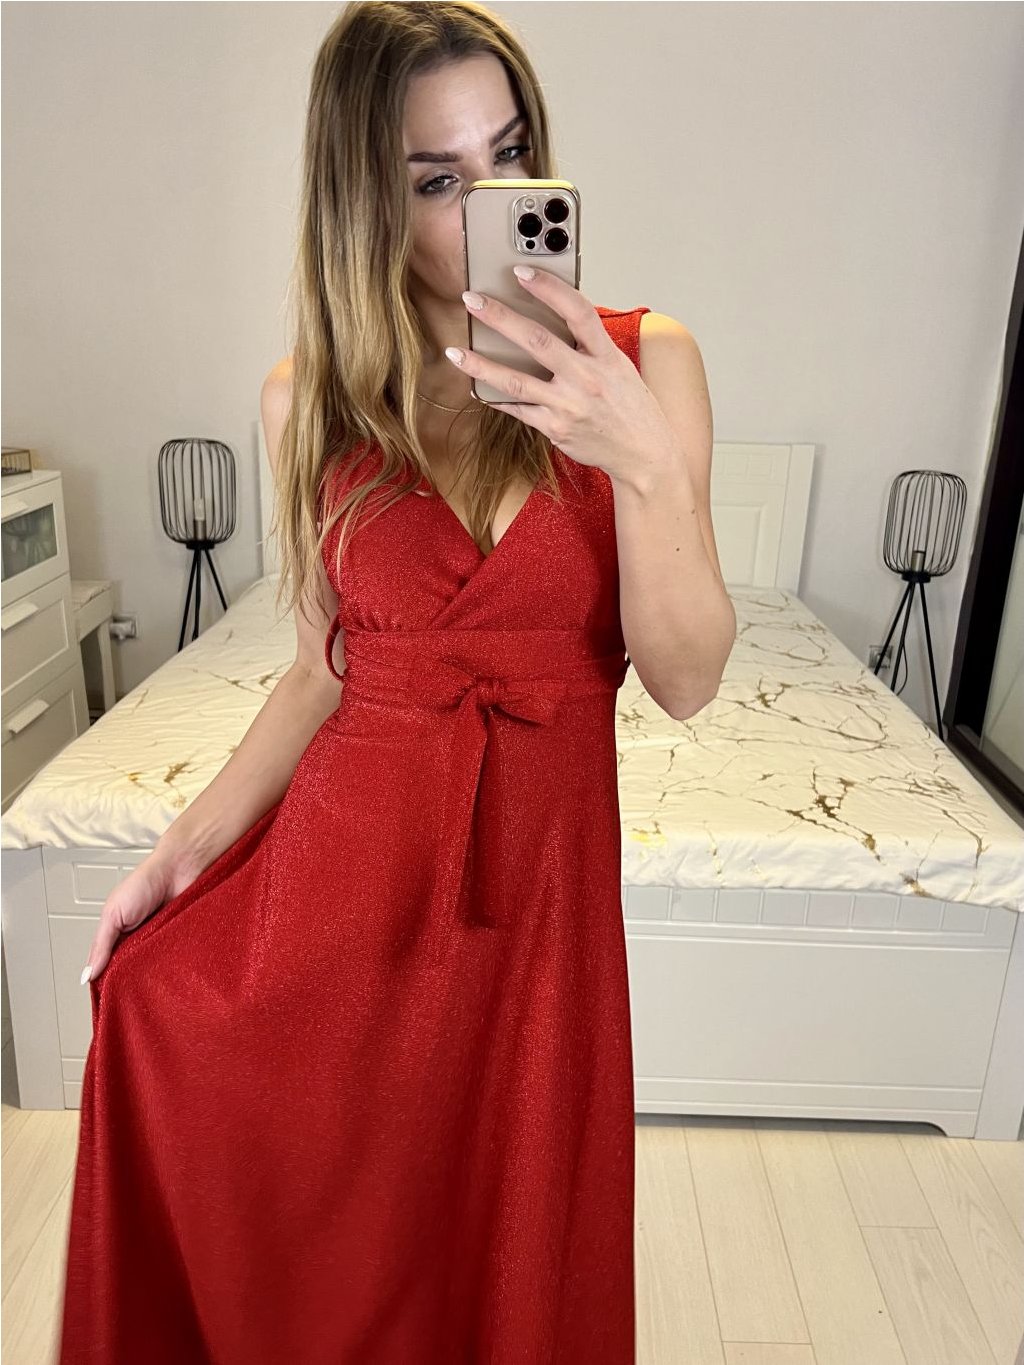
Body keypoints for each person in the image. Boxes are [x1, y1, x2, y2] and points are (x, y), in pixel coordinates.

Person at [57, 3, 734, 1362]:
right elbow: (321, 669)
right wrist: (178, 853)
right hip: (347, 874)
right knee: (310, 1204)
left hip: (538, 894)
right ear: (364, 197)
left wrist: (640, 458)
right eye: (437, 180)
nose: (491, 203)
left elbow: (686, 677)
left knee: (507, 1232)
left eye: (510, 153)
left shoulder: (646, 361)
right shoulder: (308, 398)